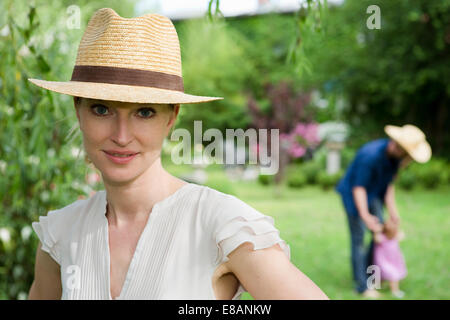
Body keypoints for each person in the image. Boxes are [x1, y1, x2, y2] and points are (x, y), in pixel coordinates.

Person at [27, 8, 328, 300]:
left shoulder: (221, 224)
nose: (121, 135)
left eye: (144, 112)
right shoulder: (61, 235)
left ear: (171, 118)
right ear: (78, 111)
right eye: (101, 109)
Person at [336, 124, 431, 298]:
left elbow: (388, 185)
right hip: (353, 195)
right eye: (408, 155)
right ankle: (362, 286)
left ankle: (372, 276)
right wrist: (365, 216)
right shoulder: (370, 156)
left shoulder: (394, 159)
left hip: (373, 194)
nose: (409, 159)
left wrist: (393, 212)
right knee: (358, 239)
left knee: (379, 238)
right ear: (400, 148)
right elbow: (359, 188)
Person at [373, 218, 407, 298]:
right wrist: (377, 230)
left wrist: (396, 224)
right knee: (393, 275)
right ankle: (395, 291)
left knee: (386, 276)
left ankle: (377, 286)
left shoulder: (394, 237)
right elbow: (376, 238)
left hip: (394, 261)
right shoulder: (382, 238)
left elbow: (402, 235)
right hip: (383, 261)